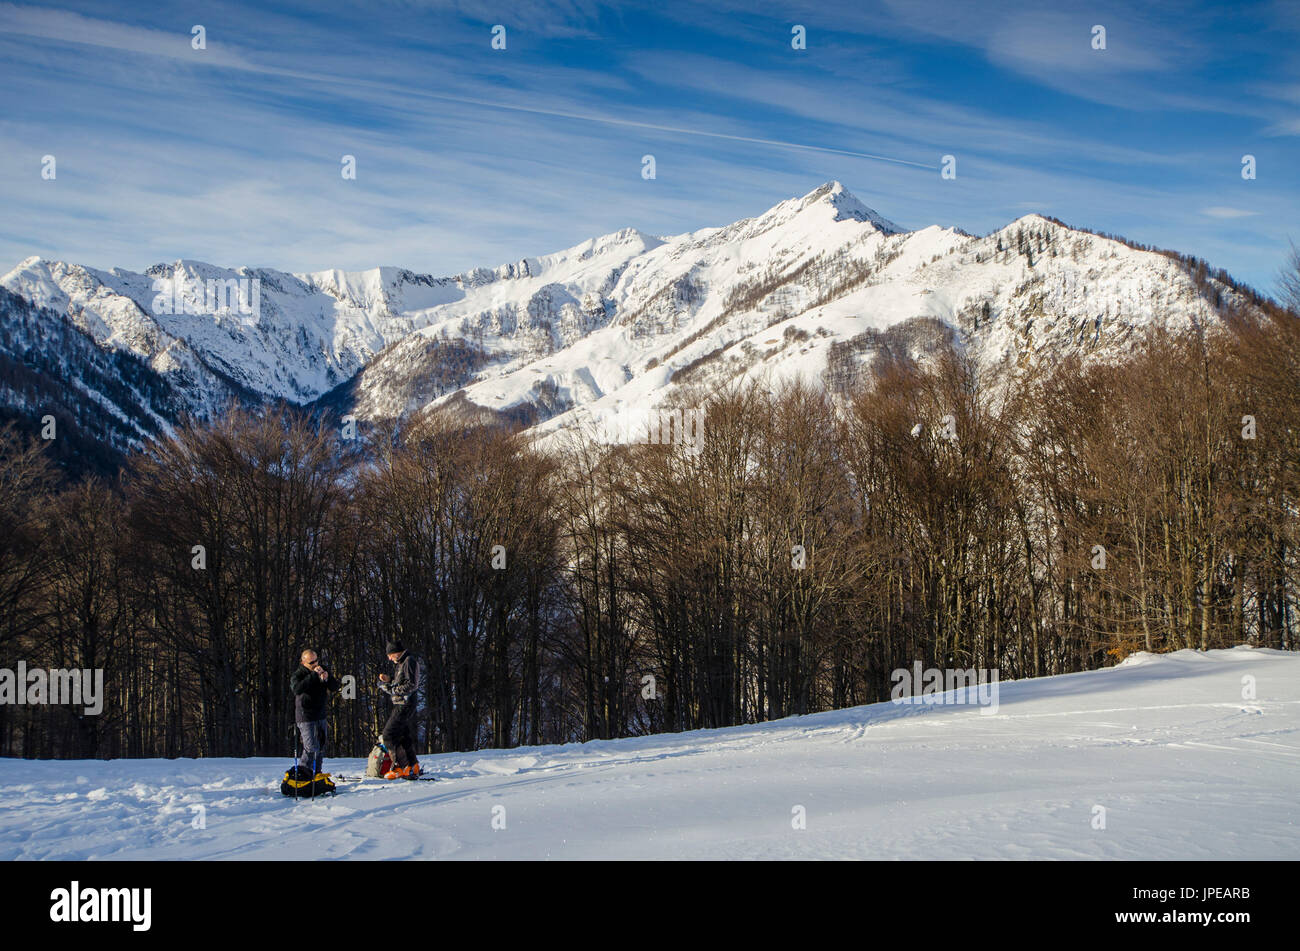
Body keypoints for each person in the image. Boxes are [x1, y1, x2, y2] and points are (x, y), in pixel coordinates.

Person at [290, 649, 341, 774]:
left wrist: (327, 678)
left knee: (321, 747)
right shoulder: (299, 674)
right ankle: (303, 773)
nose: (315, 664)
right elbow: (297, 689)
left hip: (320, 714)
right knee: (311, 747)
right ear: (303, 663)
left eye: (316, 660)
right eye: (311, 662)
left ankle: (316, 774)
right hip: (306, 716)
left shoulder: (322, 669)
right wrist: (313, 675)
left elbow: (335, 686)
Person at [378, 640, 423, 779]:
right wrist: (389, 680)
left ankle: (401, 766)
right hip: (401, 703)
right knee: (403, 735)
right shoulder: (402, 663)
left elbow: (411, 684)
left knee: (388, 734)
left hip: (405, 704)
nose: (389, 658)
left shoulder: (409, 661)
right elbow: (402, 681)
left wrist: (391, 690)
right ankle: (412, 765)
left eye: (390, 655)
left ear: (396, 652)